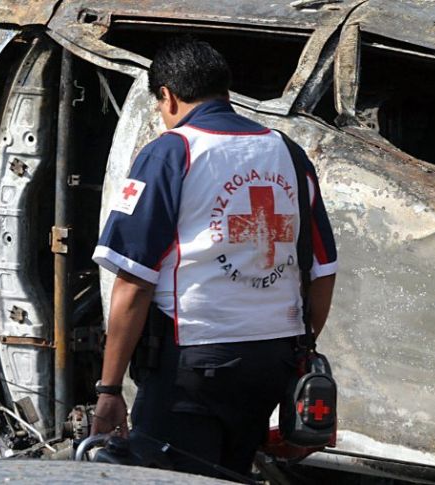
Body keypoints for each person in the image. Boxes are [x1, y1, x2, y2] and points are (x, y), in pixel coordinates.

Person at [90, 37, 337, 480]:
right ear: (224, 90)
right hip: (272, 363)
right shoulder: (287, 151)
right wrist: (296, 348)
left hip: (193, 365)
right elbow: (323, 271)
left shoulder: (171, 151)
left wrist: (109, 388)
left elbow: (134, 281)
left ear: (167, 96)